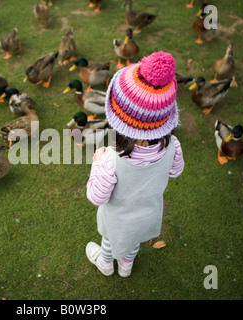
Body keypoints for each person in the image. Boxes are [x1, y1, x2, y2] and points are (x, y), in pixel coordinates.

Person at [85, 51, 185, 277]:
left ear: (118, 117)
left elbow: (96, 197)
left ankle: (106, 262)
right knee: (133, 242)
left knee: (110, 239)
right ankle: (126, 266)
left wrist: (97, 163)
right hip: (147, 216)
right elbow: (176, 171)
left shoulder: (110, 160)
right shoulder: (173, 146)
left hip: (117, 219)